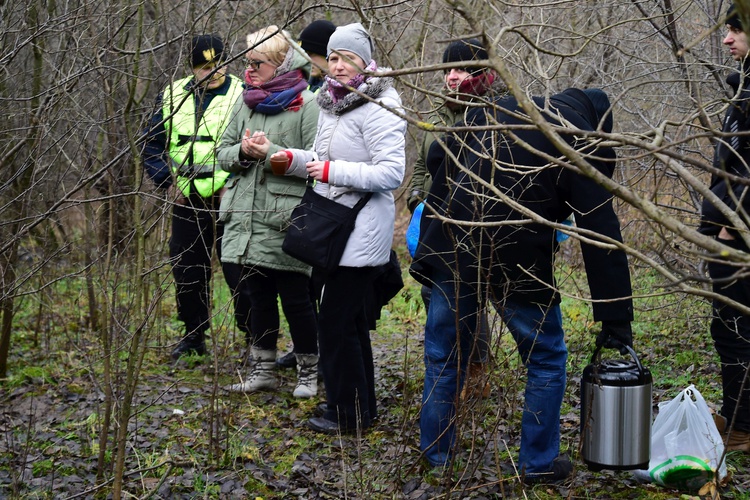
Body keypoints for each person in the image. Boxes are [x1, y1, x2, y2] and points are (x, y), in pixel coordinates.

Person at [410, 83, 634, 482]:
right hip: (517, 261)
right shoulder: (576, 137)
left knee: (443, 357)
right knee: (545, 358)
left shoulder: (492, 110)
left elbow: (438, 152)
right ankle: (538, 463)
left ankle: (437, 456)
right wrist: (616, 317)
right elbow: (600, 228)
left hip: (452, 247)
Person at [270, 22, 406, 434]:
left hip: (361, 233)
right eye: (333, 57)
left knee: (334, 324)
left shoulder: (380, 104)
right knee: (346, 325)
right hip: (333, 231)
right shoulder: (331, 102)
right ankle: (360, 409)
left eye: (348, 58)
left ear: (365, 63)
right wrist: (287, 158)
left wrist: (331, 170)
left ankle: (346, 414)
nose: (339, 65)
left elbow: (391, 172)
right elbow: (318, 155)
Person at [217, 26, 320, 398]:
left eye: (257, 62)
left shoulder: (308, 104)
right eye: (247, 62)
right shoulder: (245, 101)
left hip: (285, 222)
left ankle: (309, 373)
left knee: (297, 300)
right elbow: (222, 154)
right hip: (244, 217)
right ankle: (262, 371)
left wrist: (271, 151)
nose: (250, 69)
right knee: (255, 298)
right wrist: (243, 153)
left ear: (281, 62)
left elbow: (318, 162)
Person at [407, 38, 508, 400]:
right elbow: (422, 164)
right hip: (437, 219)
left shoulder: (498, 110)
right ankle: (451, 368)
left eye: (461, 69)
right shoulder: (437, 111)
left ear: (482, 71)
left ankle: (477, 366)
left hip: (480, 222)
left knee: (477, 295)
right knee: (433, 289)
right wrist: (416, 196)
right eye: (448, 69)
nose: (452, 77)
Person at [141, 34, 252, 361]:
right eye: (204, 67)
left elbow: (255, 145)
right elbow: (151, 146)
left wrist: (235, 182)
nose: (211, 72)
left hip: (230, 201)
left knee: (240, 272)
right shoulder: (172, 95)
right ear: (193, 68)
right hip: (187, 201)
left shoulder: (242, 94)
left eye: (216, 64)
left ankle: (254, 339)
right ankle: (193, 336)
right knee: (187, 271)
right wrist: (166, 182)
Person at [699, 3, 750, 453]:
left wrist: (733, 231)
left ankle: (741, 427)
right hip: (728, 240)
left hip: (739, 244)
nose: (726, 39)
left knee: (737, 332)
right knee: (729, 329)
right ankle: (737, 415)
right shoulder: (744, 92)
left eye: (736, 30)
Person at [275, 18, 338, 372]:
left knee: (321, 288)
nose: (308, 59)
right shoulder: (309, 86)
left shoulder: (334, 92)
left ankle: (322, 353)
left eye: (312, 53)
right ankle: (306, 345)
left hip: (326, 200)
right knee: (305, 285)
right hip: (306, 195)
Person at [298, 20, 337, 92]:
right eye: (303, 54)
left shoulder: (338, 91)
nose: (306, 60)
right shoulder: (303, 84)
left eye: (311, 54)